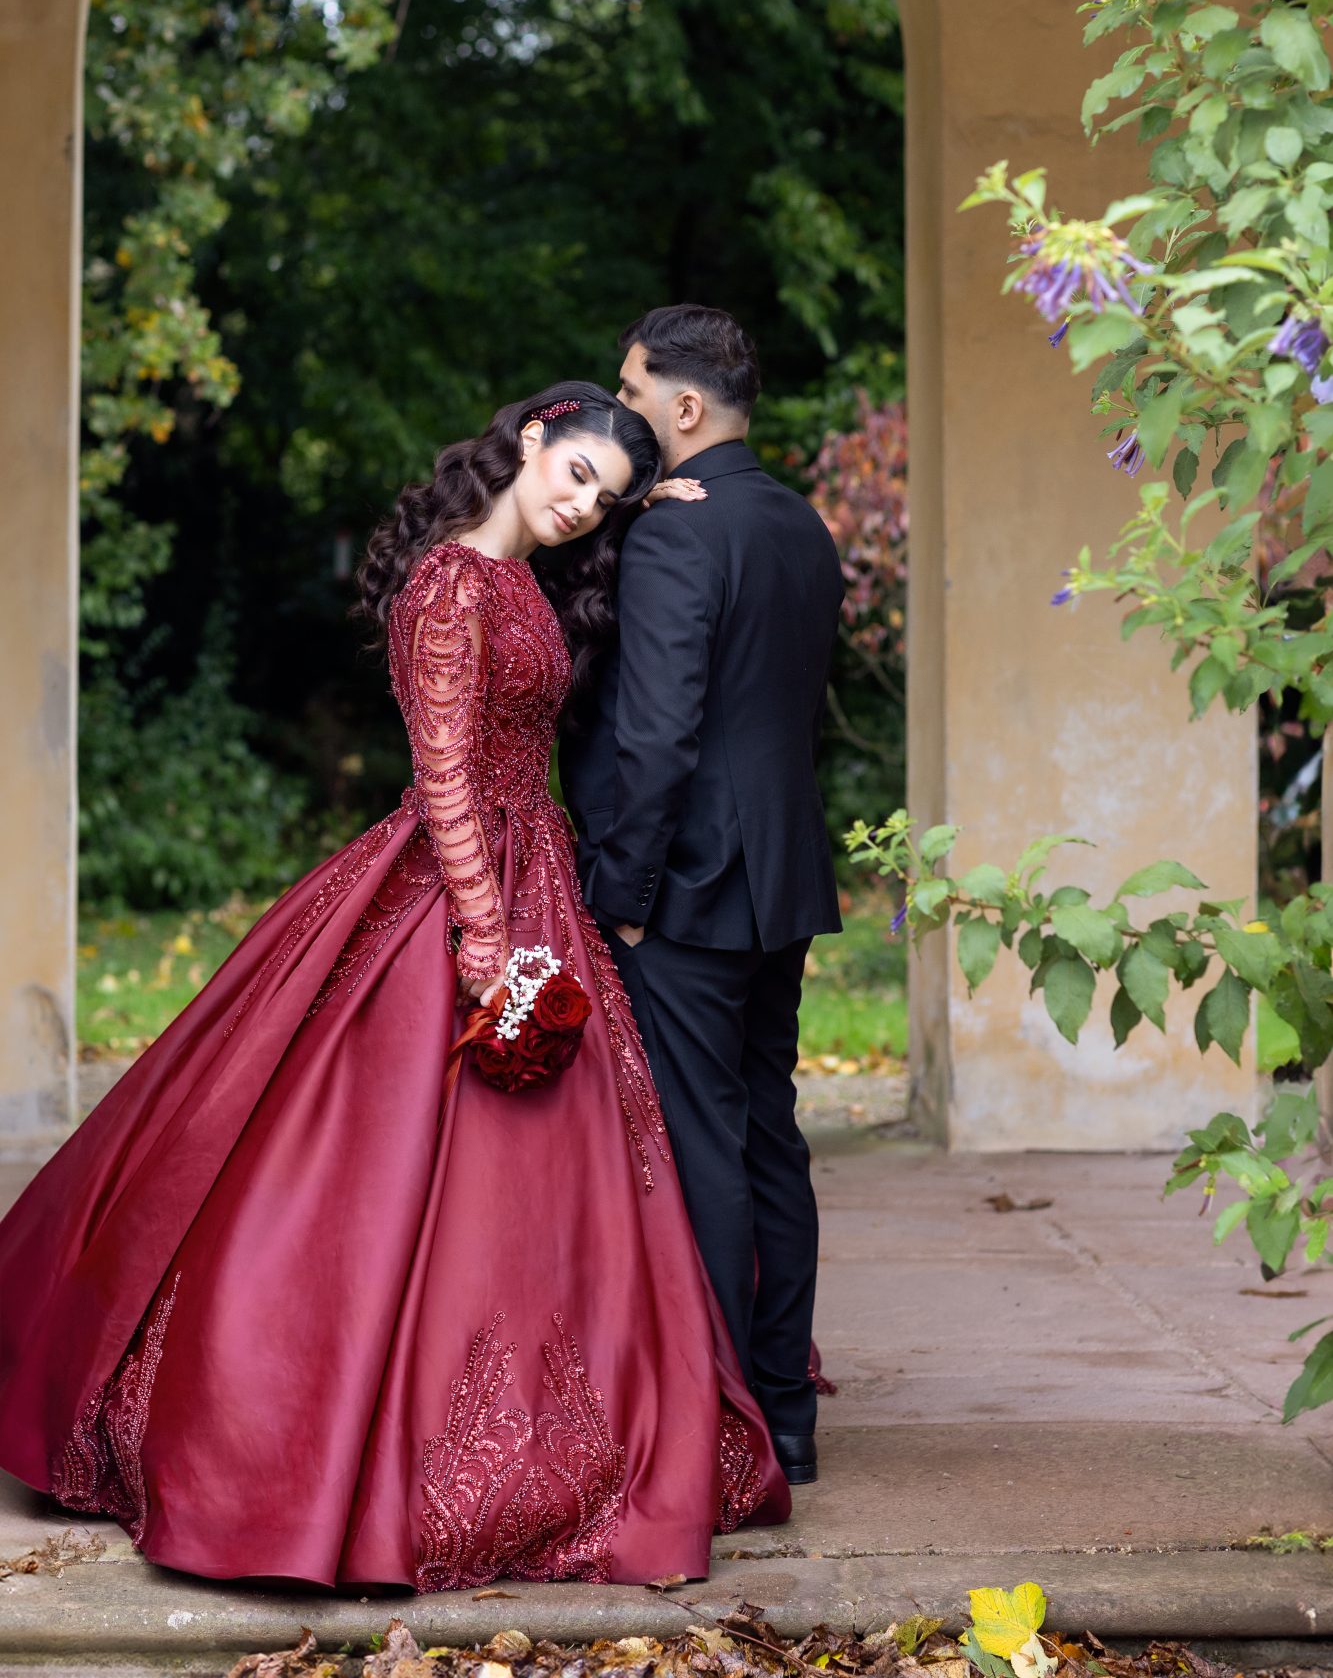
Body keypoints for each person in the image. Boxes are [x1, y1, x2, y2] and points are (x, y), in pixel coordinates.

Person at [0, 380, 790, 1591]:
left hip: (538, 887)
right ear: (531, 438)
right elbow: (445, 775)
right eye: (576, 473)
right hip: (460, 892)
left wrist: (671, 506)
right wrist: (483, 938)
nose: (584, 506)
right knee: (360, 1179)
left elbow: (594, 672)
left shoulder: (531, 582)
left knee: (560, 1195)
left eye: (607, 498)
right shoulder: (448, 585)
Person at [561, 308, 846, 1488]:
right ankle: (785, 1413)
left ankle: (726, 1426)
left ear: (684, 409)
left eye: (634, 392)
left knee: (700, 1144)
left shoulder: (681, 538)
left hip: (684, 884)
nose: (623, 409)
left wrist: (619, 892)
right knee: (768, 1136)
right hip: (778, 877)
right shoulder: (799, 523)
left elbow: (659, 735)